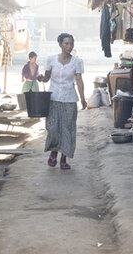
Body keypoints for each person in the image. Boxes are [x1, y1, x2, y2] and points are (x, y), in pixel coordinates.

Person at [37, 33, 87, 170]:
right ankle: (53, 152)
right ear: (60, 44)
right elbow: (47, 77)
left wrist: (83, 98)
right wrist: (41, 78)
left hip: (70, 100)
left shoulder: (77, 62)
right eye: (66, 43)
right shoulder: (51, 60)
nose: (69, 46)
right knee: (52, 129)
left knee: (68, 130)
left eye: (71, 43)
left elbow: (79, 80)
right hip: (53, 99)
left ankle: (63, 158)